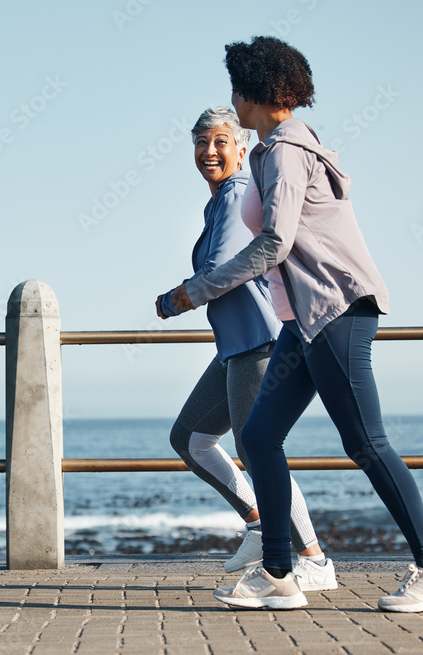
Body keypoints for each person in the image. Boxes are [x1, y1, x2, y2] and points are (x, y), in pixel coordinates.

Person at [165, 36, 423, 612]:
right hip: (301, 321)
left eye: (236, 87)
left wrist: (191, 293)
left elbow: (274, 242)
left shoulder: (284, 151)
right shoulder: (272, 150)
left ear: (251, 92)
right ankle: (279, 573)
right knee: (257, 437)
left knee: (366, 443)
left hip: (336, 311)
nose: (233, 96)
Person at [158, 106, 336, 593]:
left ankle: (314, 559)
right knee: (190, 439)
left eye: (219, 141)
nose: (209, 152)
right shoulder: (219, 201)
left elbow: (220, 268)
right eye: (200, 143)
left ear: (240, 148)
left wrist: (176, 299)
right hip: (235, 347)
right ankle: (259, 522)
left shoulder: (237, 194)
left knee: (259, 452)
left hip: (260, 342)